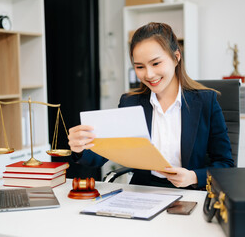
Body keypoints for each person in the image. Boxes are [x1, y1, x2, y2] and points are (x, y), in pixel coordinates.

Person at [68, 22, 234, 189]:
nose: (149, 74)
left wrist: (193, 177)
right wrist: (80, 147)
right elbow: (100, 156)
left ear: (176, 57)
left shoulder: (206, 102)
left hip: (190, 192)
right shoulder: (130, 103)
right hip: (144, 191)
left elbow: (226, 165)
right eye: (140, 67)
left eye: (156, 63)